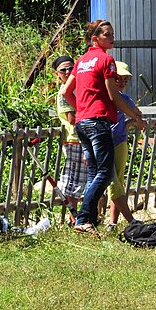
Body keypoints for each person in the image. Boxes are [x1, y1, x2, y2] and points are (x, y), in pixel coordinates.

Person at [59, 19, 144, 233]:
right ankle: (83, 219)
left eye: (112, 33)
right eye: (107, 34)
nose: (112, 38)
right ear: (95, 38)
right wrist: (134, 113)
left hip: (82, 123)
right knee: (105, 172)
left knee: (94, 172)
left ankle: (87, 220)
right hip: (98, 122)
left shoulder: (81, 61)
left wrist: (82, 109)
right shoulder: (107, 60)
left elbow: (66, 92)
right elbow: (113, 95)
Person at [106, 61, 140, 228]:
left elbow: (139, 118)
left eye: (125, 80)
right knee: (112, 183)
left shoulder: (126, 99)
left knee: (117, 181)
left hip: (119, 142)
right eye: (118, 79)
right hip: (104, 143)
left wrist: (128, 124)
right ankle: (131, 220)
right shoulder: (103, 97)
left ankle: (113, 222)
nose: (122, 83)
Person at [51, 55, 86, 209]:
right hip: (74, 139)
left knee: (80, 178)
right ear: (57, 74)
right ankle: (74, 215)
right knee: (74, 179)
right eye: (63, 70)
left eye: (71, 68)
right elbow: (71, 118)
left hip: (82, 137)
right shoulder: (64, 93)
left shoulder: (77, 89)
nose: (67, 72)